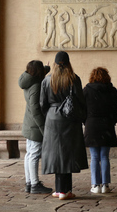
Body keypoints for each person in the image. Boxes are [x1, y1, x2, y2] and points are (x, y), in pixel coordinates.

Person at [40, 51, 88, 200]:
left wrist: (49, 115)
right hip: (70, 118)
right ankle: (65, 190)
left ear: (54, 63)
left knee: (56, 154)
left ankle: (59, 189)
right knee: (68, 154)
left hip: (52, 119)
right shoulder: (74, 79)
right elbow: (81, 101)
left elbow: (42, 103)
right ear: (68, 63)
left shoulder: (47, 80)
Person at [83, 67, 117, 194]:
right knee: (105, 156)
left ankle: (95, 185)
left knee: (94, 157)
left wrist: (86, 121)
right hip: (107, 125)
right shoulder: (111, 90)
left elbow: (81, 108)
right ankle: (105, 185)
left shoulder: (87, 90)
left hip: (92, 125)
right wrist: (112, 121)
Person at [19, 60, 52, 194]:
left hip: (29, 123)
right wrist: (43, 128)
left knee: (29, 154)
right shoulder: (36, 85)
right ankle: (34, 184)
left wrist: (46, 68)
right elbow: (36, 110)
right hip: (35, 126)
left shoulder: (28, 80)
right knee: (34, 154)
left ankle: (29, 182)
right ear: (38, 72)